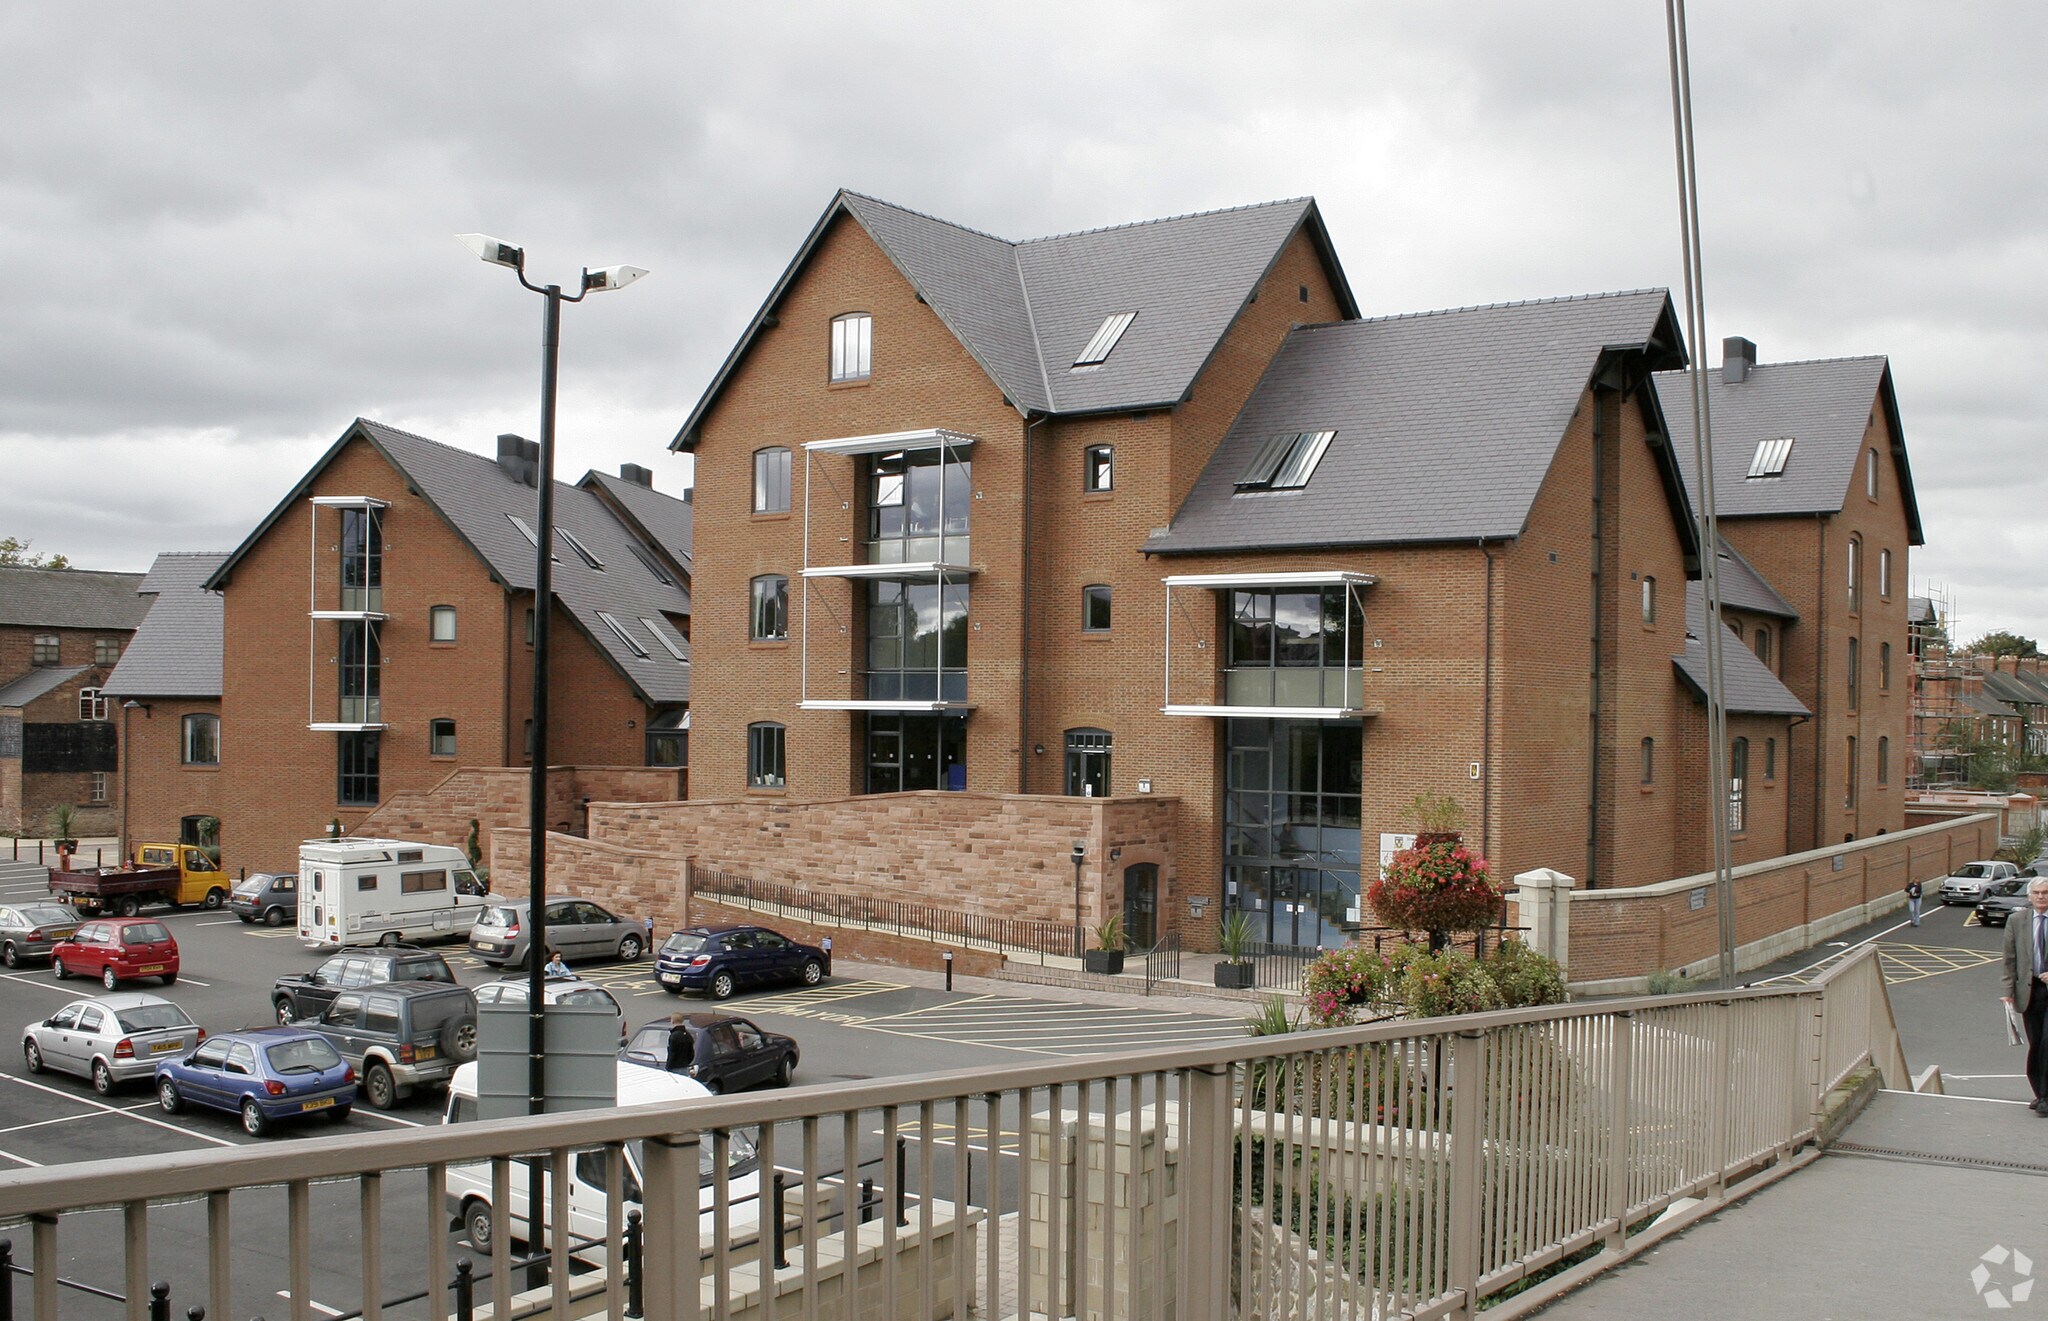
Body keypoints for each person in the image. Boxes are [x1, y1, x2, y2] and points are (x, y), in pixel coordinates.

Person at [1999, 877, 2048, 1115]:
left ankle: (2046, 1097)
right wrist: (2007, 992)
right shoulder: (2017, 921)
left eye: (2045, 893)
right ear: (2029, 896)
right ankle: (2040, 1093)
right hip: (2029, 992)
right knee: (2036, 1043)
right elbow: (2009, 958)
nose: (2041, 897)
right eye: (2037, 893)